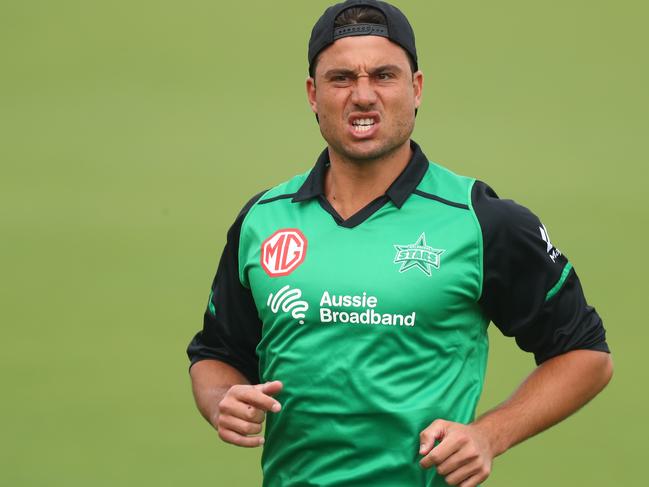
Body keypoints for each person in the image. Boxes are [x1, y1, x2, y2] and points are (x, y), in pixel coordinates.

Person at [186, 1, 613, 485]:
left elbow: (586, 355)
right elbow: (216, 355)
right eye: (341, 78)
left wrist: (490, 435)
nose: (362, 95)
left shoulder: (481, 220)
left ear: (416, 89)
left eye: (384, 76)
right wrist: (223, 400)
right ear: (312, 93)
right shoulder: (263, 220)